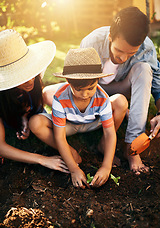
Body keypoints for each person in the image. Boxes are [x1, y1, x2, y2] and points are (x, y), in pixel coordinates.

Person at [29, 47, 128, 188]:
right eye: (78, 89)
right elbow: (59, 136)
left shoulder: (102, 98)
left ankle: (102, 145)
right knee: (35, 123)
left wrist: (106, 167)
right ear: (68, 82)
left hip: (94, 122)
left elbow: (110, 133)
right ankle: (70, 151)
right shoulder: (60, 98)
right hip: (69, 125)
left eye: (91, 88)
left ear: (98, 80)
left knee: (120, 101)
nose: (85, 94)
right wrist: (73, 168)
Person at [80, 6, 160, 175]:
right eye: (119, 50)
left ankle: (132, 148)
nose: (123, 58)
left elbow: (157, 88)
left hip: (123, 89)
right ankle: (106, 139)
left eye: (131, 53)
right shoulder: (91, 43)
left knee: (144, 70)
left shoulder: (146, 48)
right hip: (94, 91)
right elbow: (80, 84)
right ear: (110, 36)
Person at [0, 29, 69, 173]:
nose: (30, 80)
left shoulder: (34, 84)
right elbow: (1, 146)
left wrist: (24, 118)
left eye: (30, 71)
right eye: (21, 76)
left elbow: (33, 105)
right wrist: (42, 159)